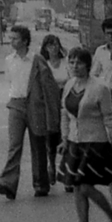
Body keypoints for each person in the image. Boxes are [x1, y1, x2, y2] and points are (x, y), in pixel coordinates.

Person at [58, 45, 112, 222]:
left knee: (85, 186)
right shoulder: (69, 85)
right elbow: (65, 114)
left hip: (95, 143)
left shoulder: (100, 87)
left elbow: (109, 118)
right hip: (75, 144)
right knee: (77, 187)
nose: (75, 66)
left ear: (88, 65)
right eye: (71, 62)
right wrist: (64, 138)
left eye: (79, 62)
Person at [0, 23, 61, 200]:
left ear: (25, 41)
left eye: (15, 38)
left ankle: (40, 183)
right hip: (16, 104)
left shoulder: (36, 59)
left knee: (38, 144)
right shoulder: (9, 60)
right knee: (14, 145)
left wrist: (49, 109)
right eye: (10, 38)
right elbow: (10, 82)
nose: (12, 41)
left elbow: (48, 85)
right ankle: (8, 183)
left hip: (34, 105)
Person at [39, 33, 70, 186]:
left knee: (67, 136)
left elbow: (72, 80)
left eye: (56, 44)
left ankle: (66, 170)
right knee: (51, 137)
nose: (54, 48)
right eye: (50, 45)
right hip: (49, 105)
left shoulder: (67, 62)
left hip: (65, 102)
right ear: (45, 48)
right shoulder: (43, 64)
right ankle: (51, 166)